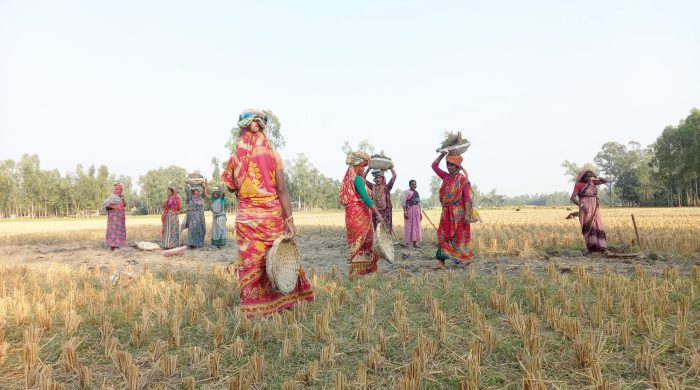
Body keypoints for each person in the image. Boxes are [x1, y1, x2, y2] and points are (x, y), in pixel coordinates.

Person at [222, 109, 313, 317]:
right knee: (276, 258)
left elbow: (230, 187)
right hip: (272, 217)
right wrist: (290, 219)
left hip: (247, 219)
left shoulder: (235, 158)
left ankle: (255, 307)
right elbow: (282, 190)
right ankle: (282, 300)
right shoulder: (273, 155)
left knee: (251, 262)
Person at [340, 151, 386, 277]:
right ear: (355, 166)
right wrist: (378, 214)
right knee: (365, 241)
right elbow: (366, 198)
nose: (363, 169)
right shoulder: (357, 179)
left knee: (356, 243)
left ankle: (357, 271)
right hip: (360, 216)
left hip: (350, 216)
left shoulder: (348, 179)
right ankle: (364, 270)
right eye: (362, 166)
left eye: (365, 166)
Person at [431, 152, 473, 270]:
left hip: (458, 214)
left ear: (458, 166)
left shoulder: (463, 180)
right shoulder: (445, 177)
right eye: (447, 164)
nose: (449, 167)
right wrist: (442, 154)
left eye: (451, 165)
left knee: (458, 237)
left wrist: (467, 214)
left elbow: (467, 199)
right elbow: (434, 166)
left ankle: (462, 259)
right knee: (443, 235)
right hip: (446, 213)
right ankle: (441, 263)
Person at [570, 170, 608, 254]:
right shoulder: (579, 185)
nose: (588, 178)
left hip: (595, 207)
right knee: (586, 226)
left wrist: (597, 177)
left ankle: (600, 247)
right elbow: (572, 198)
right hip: (585, 207)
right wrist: (582, 206)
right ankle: (589, 248)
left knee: (597, 224)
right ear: (582, 177)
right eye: (587, 176)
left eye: (590, 176)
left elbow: (605, 181)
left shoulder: (592, 182)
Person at [364, 168, 396, 233]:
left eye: (379, 177)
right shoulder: (372, 187)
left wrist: (390, 168)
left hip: (386, 212)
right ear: (374, 179)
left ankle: (387, 242)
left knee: (386, 230)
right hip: (376, 212)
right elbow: (363, 178)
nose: (378, 179)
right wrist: (369, 168)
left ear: (383, 179)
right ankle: (378, 243)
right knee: (377, 230)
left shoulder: (387, 187)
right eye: (376, 178)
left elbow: (394, 176)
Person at [101, 182, 127, 251]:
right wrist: (114, 207)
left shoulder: (121, 197)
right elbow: (105, 204)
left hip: (120, 217)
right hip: (114, 218)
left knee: (119, 230)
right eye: (117, 189)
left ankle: (117, 246)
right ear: (114, 189)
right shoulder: (112, 197)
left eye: (120, 189)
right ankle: (113, 246)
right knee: (113, 230)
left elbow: (124, 205)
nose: (118, 190)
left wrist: (123, 199)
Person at [182, 180, 207, 249]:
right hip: (192, 217)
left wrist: (204, 185)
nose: (196, 192)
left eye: (197, 191)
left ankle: (198, 243)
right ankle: (191, 244)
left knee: (199, 230)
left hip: (199, 217)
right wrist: (187, 183)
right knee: (192, 230)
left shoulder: (200, 198)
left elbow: (205, 192)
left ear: (199, 192)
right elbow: (187, 190)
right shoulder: (190, 197)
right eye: (195, 190)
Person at [401, 180, 423, 248]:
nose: (414, 185)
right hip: (409, 210)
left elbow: (418, 203)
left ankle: (415, 243)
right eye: (412, 184)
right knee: (409, 226)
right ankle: (407, 244)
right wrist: (405, 212)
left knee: (416, 226)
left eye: (415, 184)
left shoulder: (416, 192)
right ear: (409, 185)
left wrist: (420, 213)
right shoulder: (406, 192)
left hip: (416, 211)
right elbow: (404, 203)